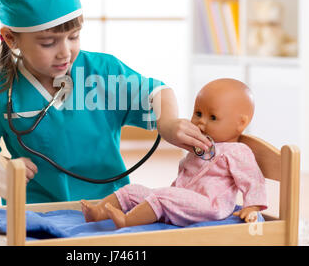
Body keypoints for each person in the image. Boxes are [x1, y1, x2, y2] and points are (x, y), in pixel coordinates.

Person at [0, 0, 211, 204]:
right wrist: (2, 165)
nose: (65, 52)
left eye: (74, 37)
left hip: (109, 206)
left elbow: (158, 91)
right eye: (48, 43)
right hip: (33, 210)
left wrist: (167, 122)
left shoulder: (104, 73)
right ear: (11, 39)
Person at [81, 78, 268, 228]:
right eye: (198, 113)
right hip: (182, 197)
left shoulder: (238, 151)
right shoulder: (201, 144)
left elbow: (253, 180)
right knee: (133, 191)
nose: (201, 122)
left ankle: (126, 221)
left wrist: (252, 207)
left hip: (210, 205)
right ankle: (98, 212)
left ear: (241, 123)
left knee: (162, 196)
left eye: (212, 117)